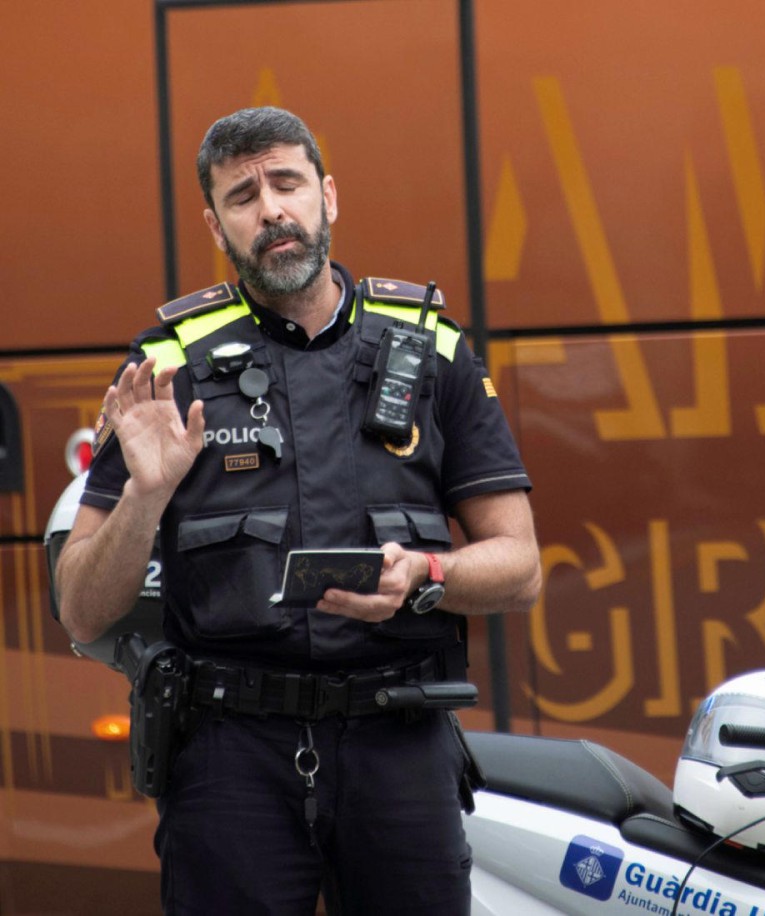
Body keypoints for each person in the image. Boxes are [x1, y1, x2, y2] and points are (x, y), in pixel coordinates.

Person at [55, 106, 541, 915]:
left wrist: (425, 574)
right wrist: (147, 493)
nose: (272, 209)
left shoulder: (432, 350)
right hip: (229, 761)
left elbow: (520, 567)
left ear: (329, 195)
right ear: (216, 224)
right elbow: (79, 607)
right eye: (243, 196)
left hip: (400, 748)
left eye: (287, 182)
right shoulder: (167, 367)